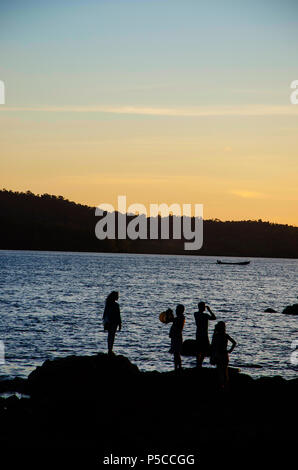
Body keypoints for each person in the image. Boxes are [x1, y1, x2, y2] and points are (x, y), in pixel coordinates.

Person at [210, 321, 236, 390]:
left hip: (219, 355)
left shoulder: (216, 336)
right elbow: (234, 343)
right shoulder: (225, 335)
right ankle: (226, 386)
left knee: (220, 372)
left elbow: (212, 346)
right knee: (225, 372)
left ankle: (221, 386)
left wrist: (212, 356)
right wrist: (230, 350)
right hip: (225, 355)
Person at [194, 301, 216, 368]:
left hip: (198, 334)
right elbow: (214, 318)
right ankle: (200, 363)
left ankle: (198, 364)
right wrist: (209, 310)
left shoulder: (196, 314)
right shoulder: (205, 316)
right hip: (204, 335)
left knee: (198, 350)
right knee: (204, 350)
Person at [103, 291, 122, 355]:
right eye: (117, 296)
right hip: (114, 322)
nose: (118, 297)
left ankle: (109, 349)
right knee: (112, 336)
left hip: (109, 322)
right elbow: (118, 315)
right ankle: (110, 350)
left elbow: (105, 314)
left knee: (110, 336)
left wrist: (105, 323)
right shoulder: (116, 305)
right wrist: (120, 324)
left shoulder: (108, 304)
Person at [169, 304, 185, 371]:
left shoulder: (180, 318)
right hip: (176, 336)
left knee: (176, 353)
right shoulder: (180, 317)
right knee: (176, 353)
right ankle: (178, 367)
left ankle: (178, 367)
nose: (176, 311)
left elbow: (172, 320)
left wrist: (170, 314)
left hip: (177, 337)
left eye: (177, 309)